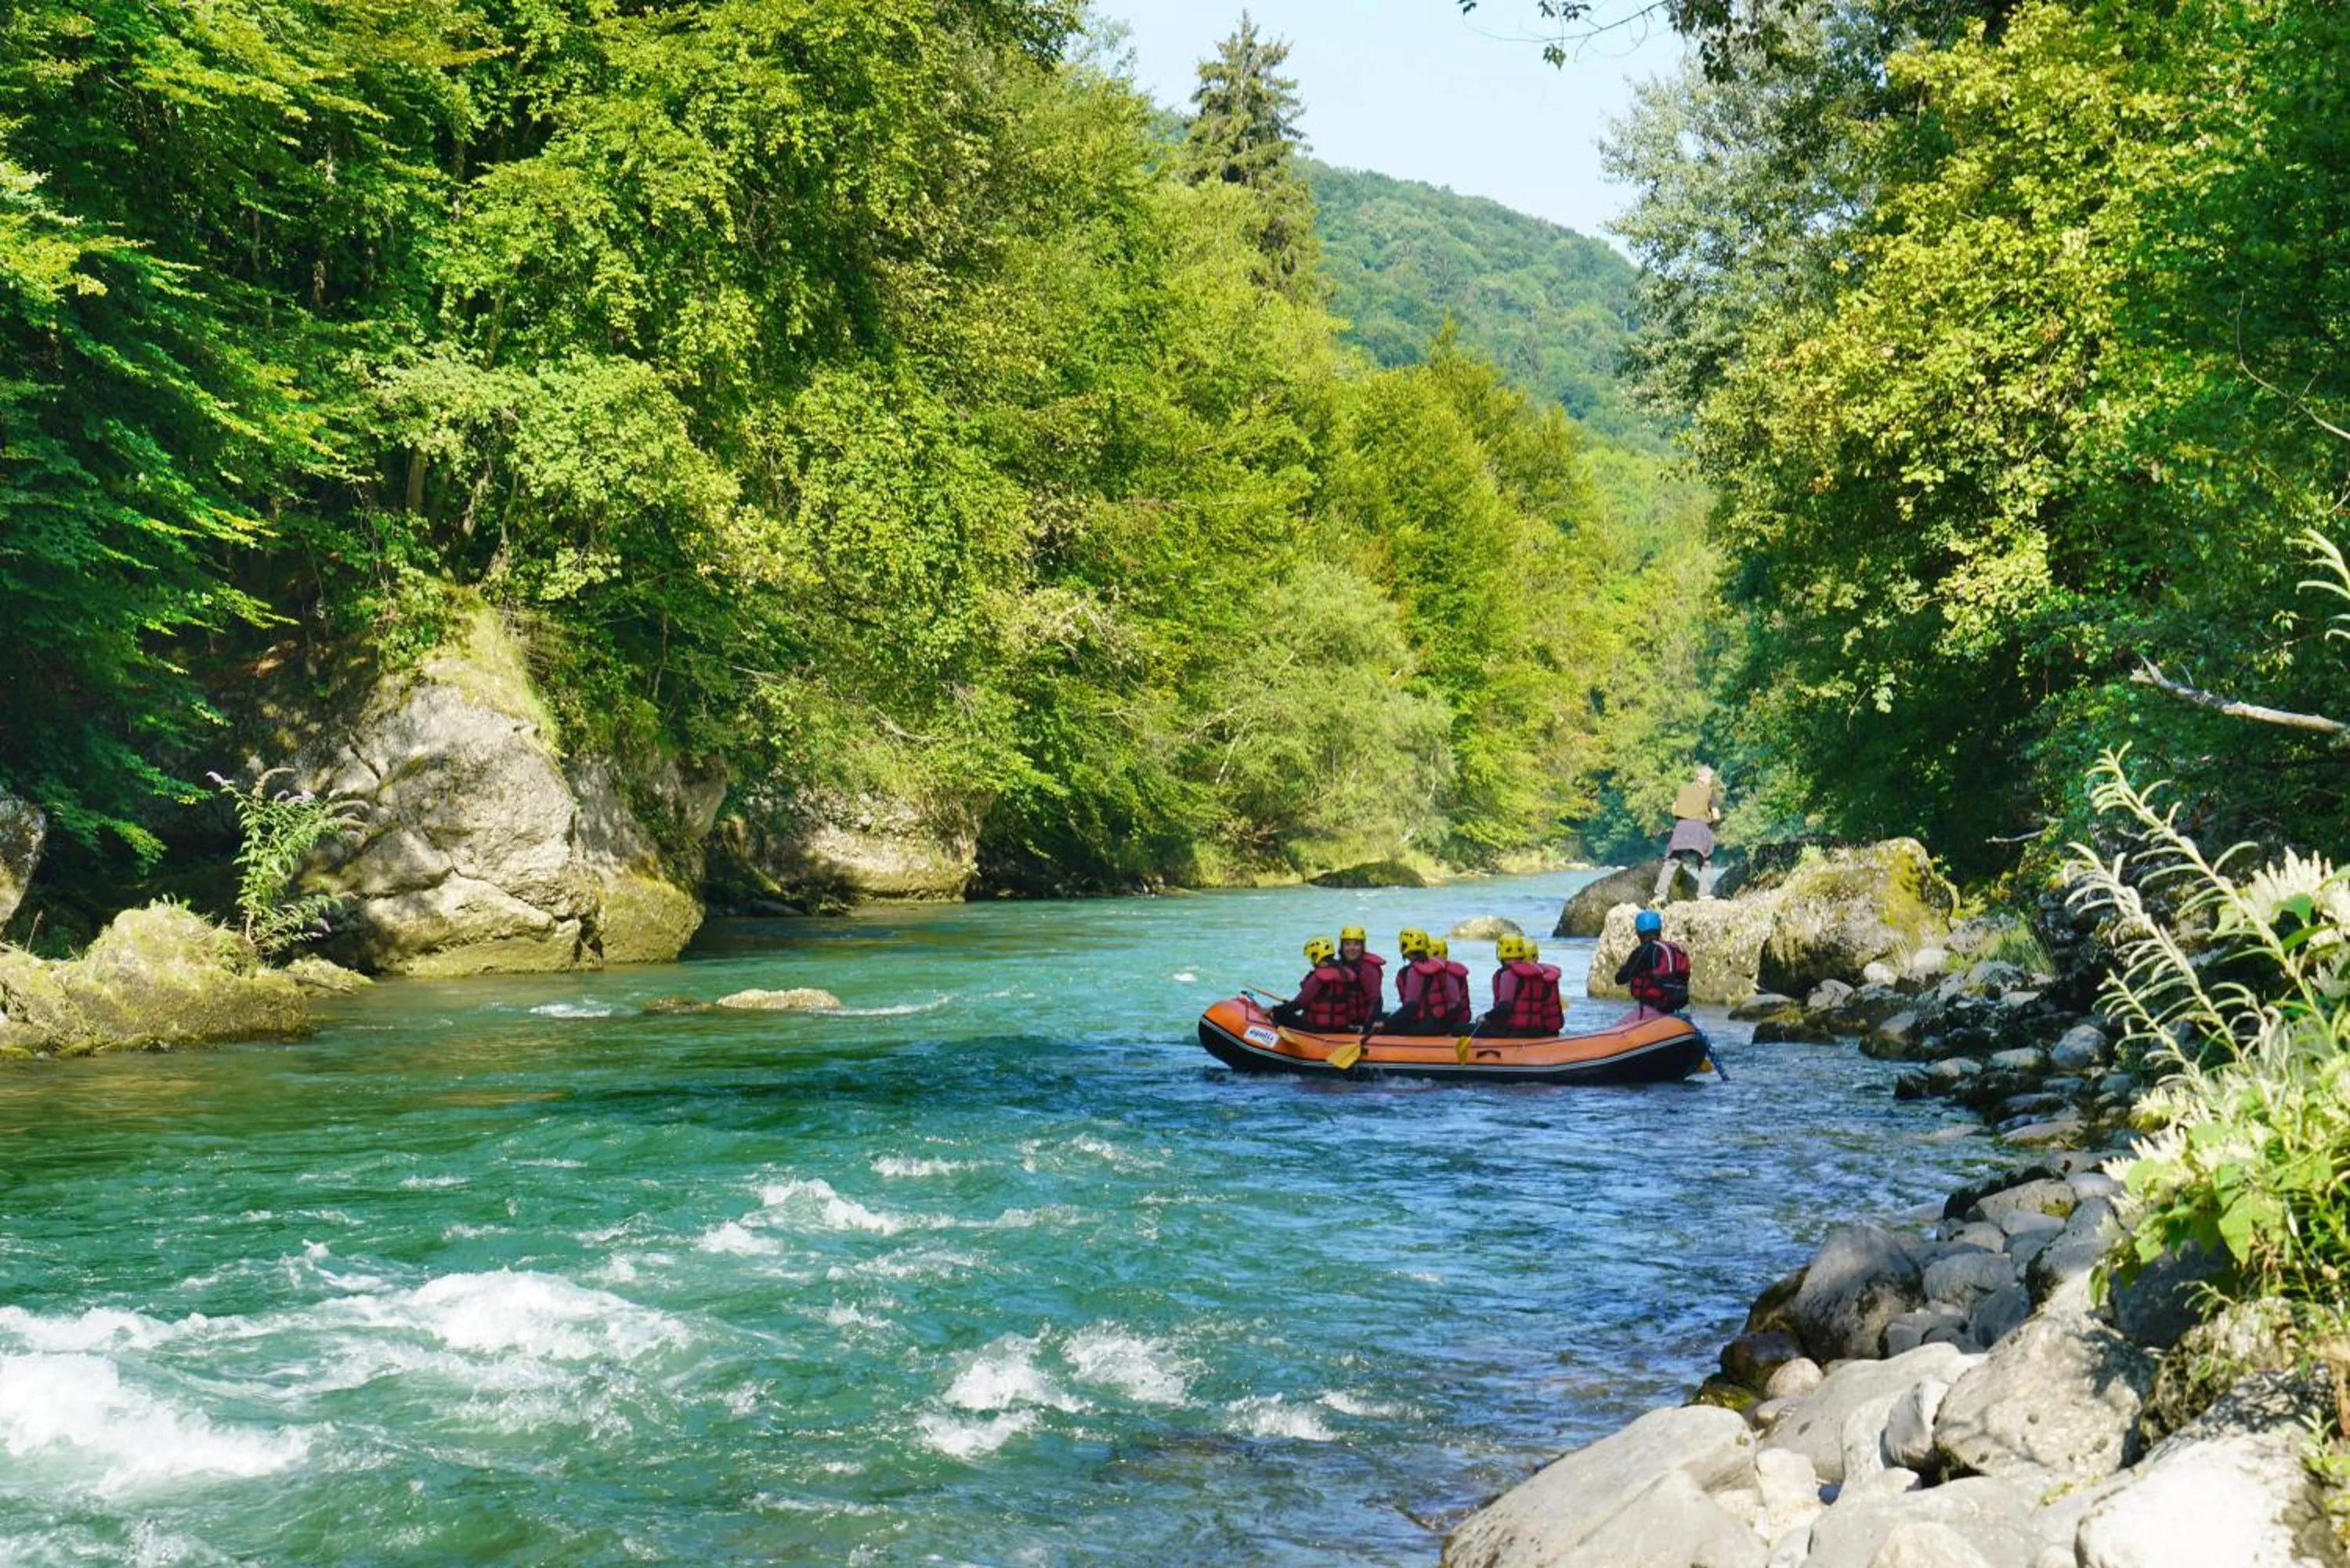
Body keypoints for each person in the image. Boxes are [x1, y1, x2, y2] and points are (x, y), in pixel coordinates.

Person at [1654, 764, 1725, 902]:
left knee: (1672, 862)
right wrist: (1711, 824)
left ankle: (1660, 894)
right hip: (1700, 830)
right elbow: (1716, 816)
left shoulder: (1683, 790)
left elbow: (1674, 810)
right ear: (1704, 778)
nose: (1711, 781)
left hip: (1681, 829)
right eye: (1710, 778)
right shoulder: (1709, 792)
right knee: (1704, 862)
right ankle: (1703, 894)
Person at [1614, 909, 1692, 1020]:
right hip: (1675, 1006)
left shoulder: (1644, 950)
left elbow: (1620, 979)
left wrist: (1623, 970)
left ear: (1639, 932)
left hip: (1653, 1007)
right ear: (1659, 930)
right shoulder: (1675, 949)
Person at [1483, 934, 1564, 1038]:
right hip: (1542, 1030)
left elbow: (1505, 1008)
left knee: (1462, 1028)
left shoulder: (1509, 975)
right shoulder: (1540, 975)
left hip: (1515, 1032)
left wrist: (1486, 1017)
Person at [1271, 938, 1360, 1031]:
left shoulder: (1318, 977)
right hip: (1342, 1027)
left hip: (1318, 1028)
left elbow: (1299, 1004)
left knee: (1280, 1015)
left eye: (1311, 957)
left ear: (1316, 956)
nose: (1311, 961)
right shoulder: (1347, 973)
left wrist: (1274, 1009)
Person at [1387, 929, 1452, 1035]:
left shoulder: (1414, 971)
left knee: (1385, 1025)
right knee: (1387, 1016)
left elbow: (1411, 1006)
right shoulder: (1436, 964)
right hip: (1442, 1023)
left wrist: (1386, 1023)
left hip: (1425, 1025)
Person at [1331, 923, 1386, 1030]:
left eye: (1356, 944)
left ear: (1362, 947)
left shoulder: (1367, 968)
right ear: (1342, 947)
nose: (1352, 948)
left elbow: (1376, 1000)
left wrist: (1367, 1026)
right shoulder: (1340, 965)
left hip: (1363, 1023)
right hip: (1345, 1022)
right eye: (1347, 944)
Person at [1429, 938, 1473, 1031]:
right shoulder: (1443, 971)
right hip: (1453, 1018)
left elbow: (1455, 1003)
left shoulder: (1449, 973)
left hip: (1453, 1021)